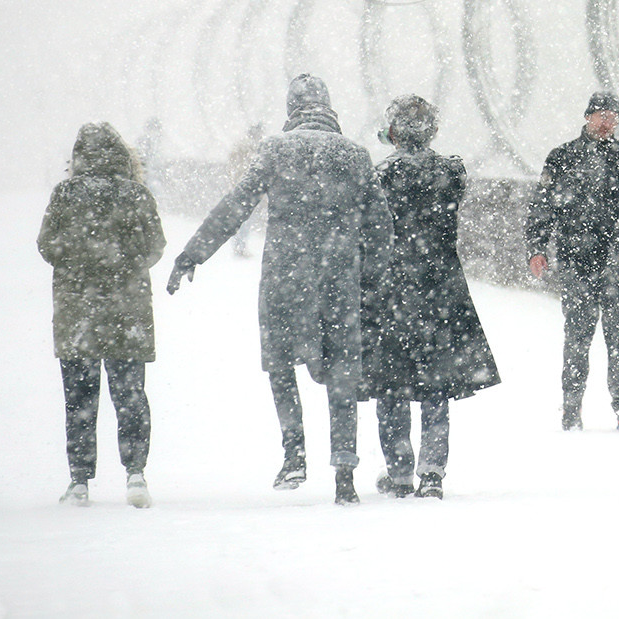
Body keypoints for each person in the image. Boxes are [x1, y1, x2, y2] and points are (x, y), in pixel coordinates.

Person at [167, 75, 394, 505]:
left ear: (292, 109)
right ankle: (344, 472)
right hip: (339, 281)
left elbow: (236, 206)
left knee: (279, 364)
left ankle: (294, 453)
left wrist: (192, 254)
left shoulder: (275, 149)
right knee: (343, 376)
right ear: (329, 107)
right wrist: (371, 277)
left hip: (284, 278)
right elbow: (382, 228)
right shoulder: (356, 156)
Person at [367, 95, 500, 499]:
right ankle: (432, 472)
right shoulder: (450, 173)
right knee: (436, 385)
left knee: (392, 385)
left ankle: (400, 470)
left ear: (393, 132)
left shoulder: (380, 176)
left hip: (393, 290)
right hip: (442, 288)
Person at [37, 123, 166, 508]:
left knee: (79, 397)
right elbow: (155, 245)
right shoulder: (136, 195)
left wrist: (80, 267)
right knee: (130, 395)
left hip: (78, 314)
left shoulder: (65, 194)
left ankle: (79, 481)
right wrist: (124, 269)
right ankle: (136, 474)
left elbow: (47, 246)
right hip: (127, 311)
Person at [526, 92, 619, 432]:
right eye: (601, 115)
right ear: (588, 116)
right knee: (577, 339)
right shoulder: (562, 157)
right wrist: (537, 247)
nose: (606, 123)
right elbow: (543, 206)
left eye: (612, 117)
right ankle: (571, 411)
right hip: (578, 261)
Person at [227, 123, 266, 257]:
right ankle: (240, 248)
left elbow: (233, 167)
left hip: (241, 189)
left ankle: (239, 247)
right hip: (246, 190)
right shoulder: (251, 148)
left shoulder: (242, 147)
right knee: (245, 221)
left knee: (242, 220)